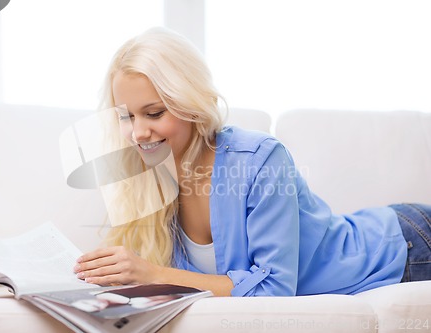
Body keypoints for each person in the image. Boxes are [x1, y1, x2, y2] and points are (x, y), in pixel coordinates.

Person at [73, 27, 431, 297]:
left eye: (153, 113)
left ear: (190, 102)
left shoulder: (259, 159)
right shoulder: (150, 176)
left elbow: (272, 290)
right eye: (125, 117)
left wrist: (153, 275)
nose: (137, 132)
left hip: (404, 245)